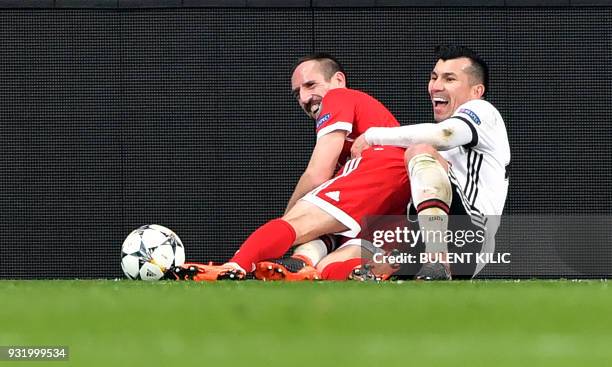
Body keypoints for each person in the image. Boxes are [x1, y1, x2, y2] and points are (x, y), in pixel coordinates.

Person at [170, 53, 412, 281]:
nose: (305, 99)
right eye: (297, 94)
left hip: (379, 168)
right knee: (329, 266)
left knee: (298, 222)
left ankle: (233, 267)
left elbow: (318, 173)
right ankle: (380, 266)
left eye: (310, 85)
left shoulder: (339, 97)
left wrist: (288, 219)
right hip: (399, 196)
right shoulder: (364, 123)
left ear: (338, 80)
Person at [350, 44, 510, 280]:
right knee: (352, 246)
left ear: (476, 91)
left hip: (471, 236)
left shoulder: (483, 111)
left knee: (421, 151)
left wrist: (372, 135)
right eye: (434, 77)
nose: (436, 86)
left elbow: (442, 136)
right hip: (424, 235)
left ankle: (437, 260)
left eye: (449, 79)